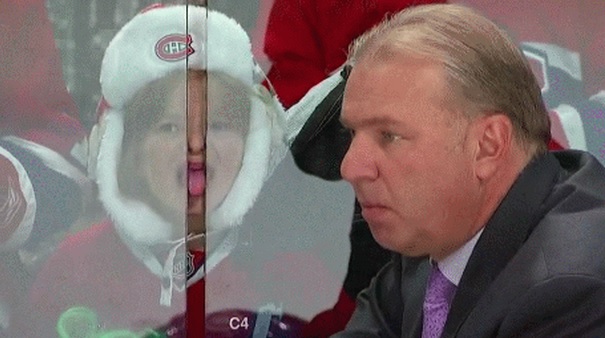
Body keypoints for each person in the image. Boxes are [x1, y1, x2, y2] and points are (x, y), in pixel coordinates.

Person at [21, 4, 308, 337]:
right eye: (169, 127)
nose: (196, 145)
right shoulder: (71, 272)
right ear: (126, 151)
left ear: (256, 149)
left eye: (218, 125)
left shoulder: (291, 276)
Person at [331, 4, 605, 337]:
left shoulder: (575, 288)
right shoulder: (433, 240)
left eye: (389, 135)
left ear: (488, 145)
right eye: (351, 134)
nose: (350, 167)